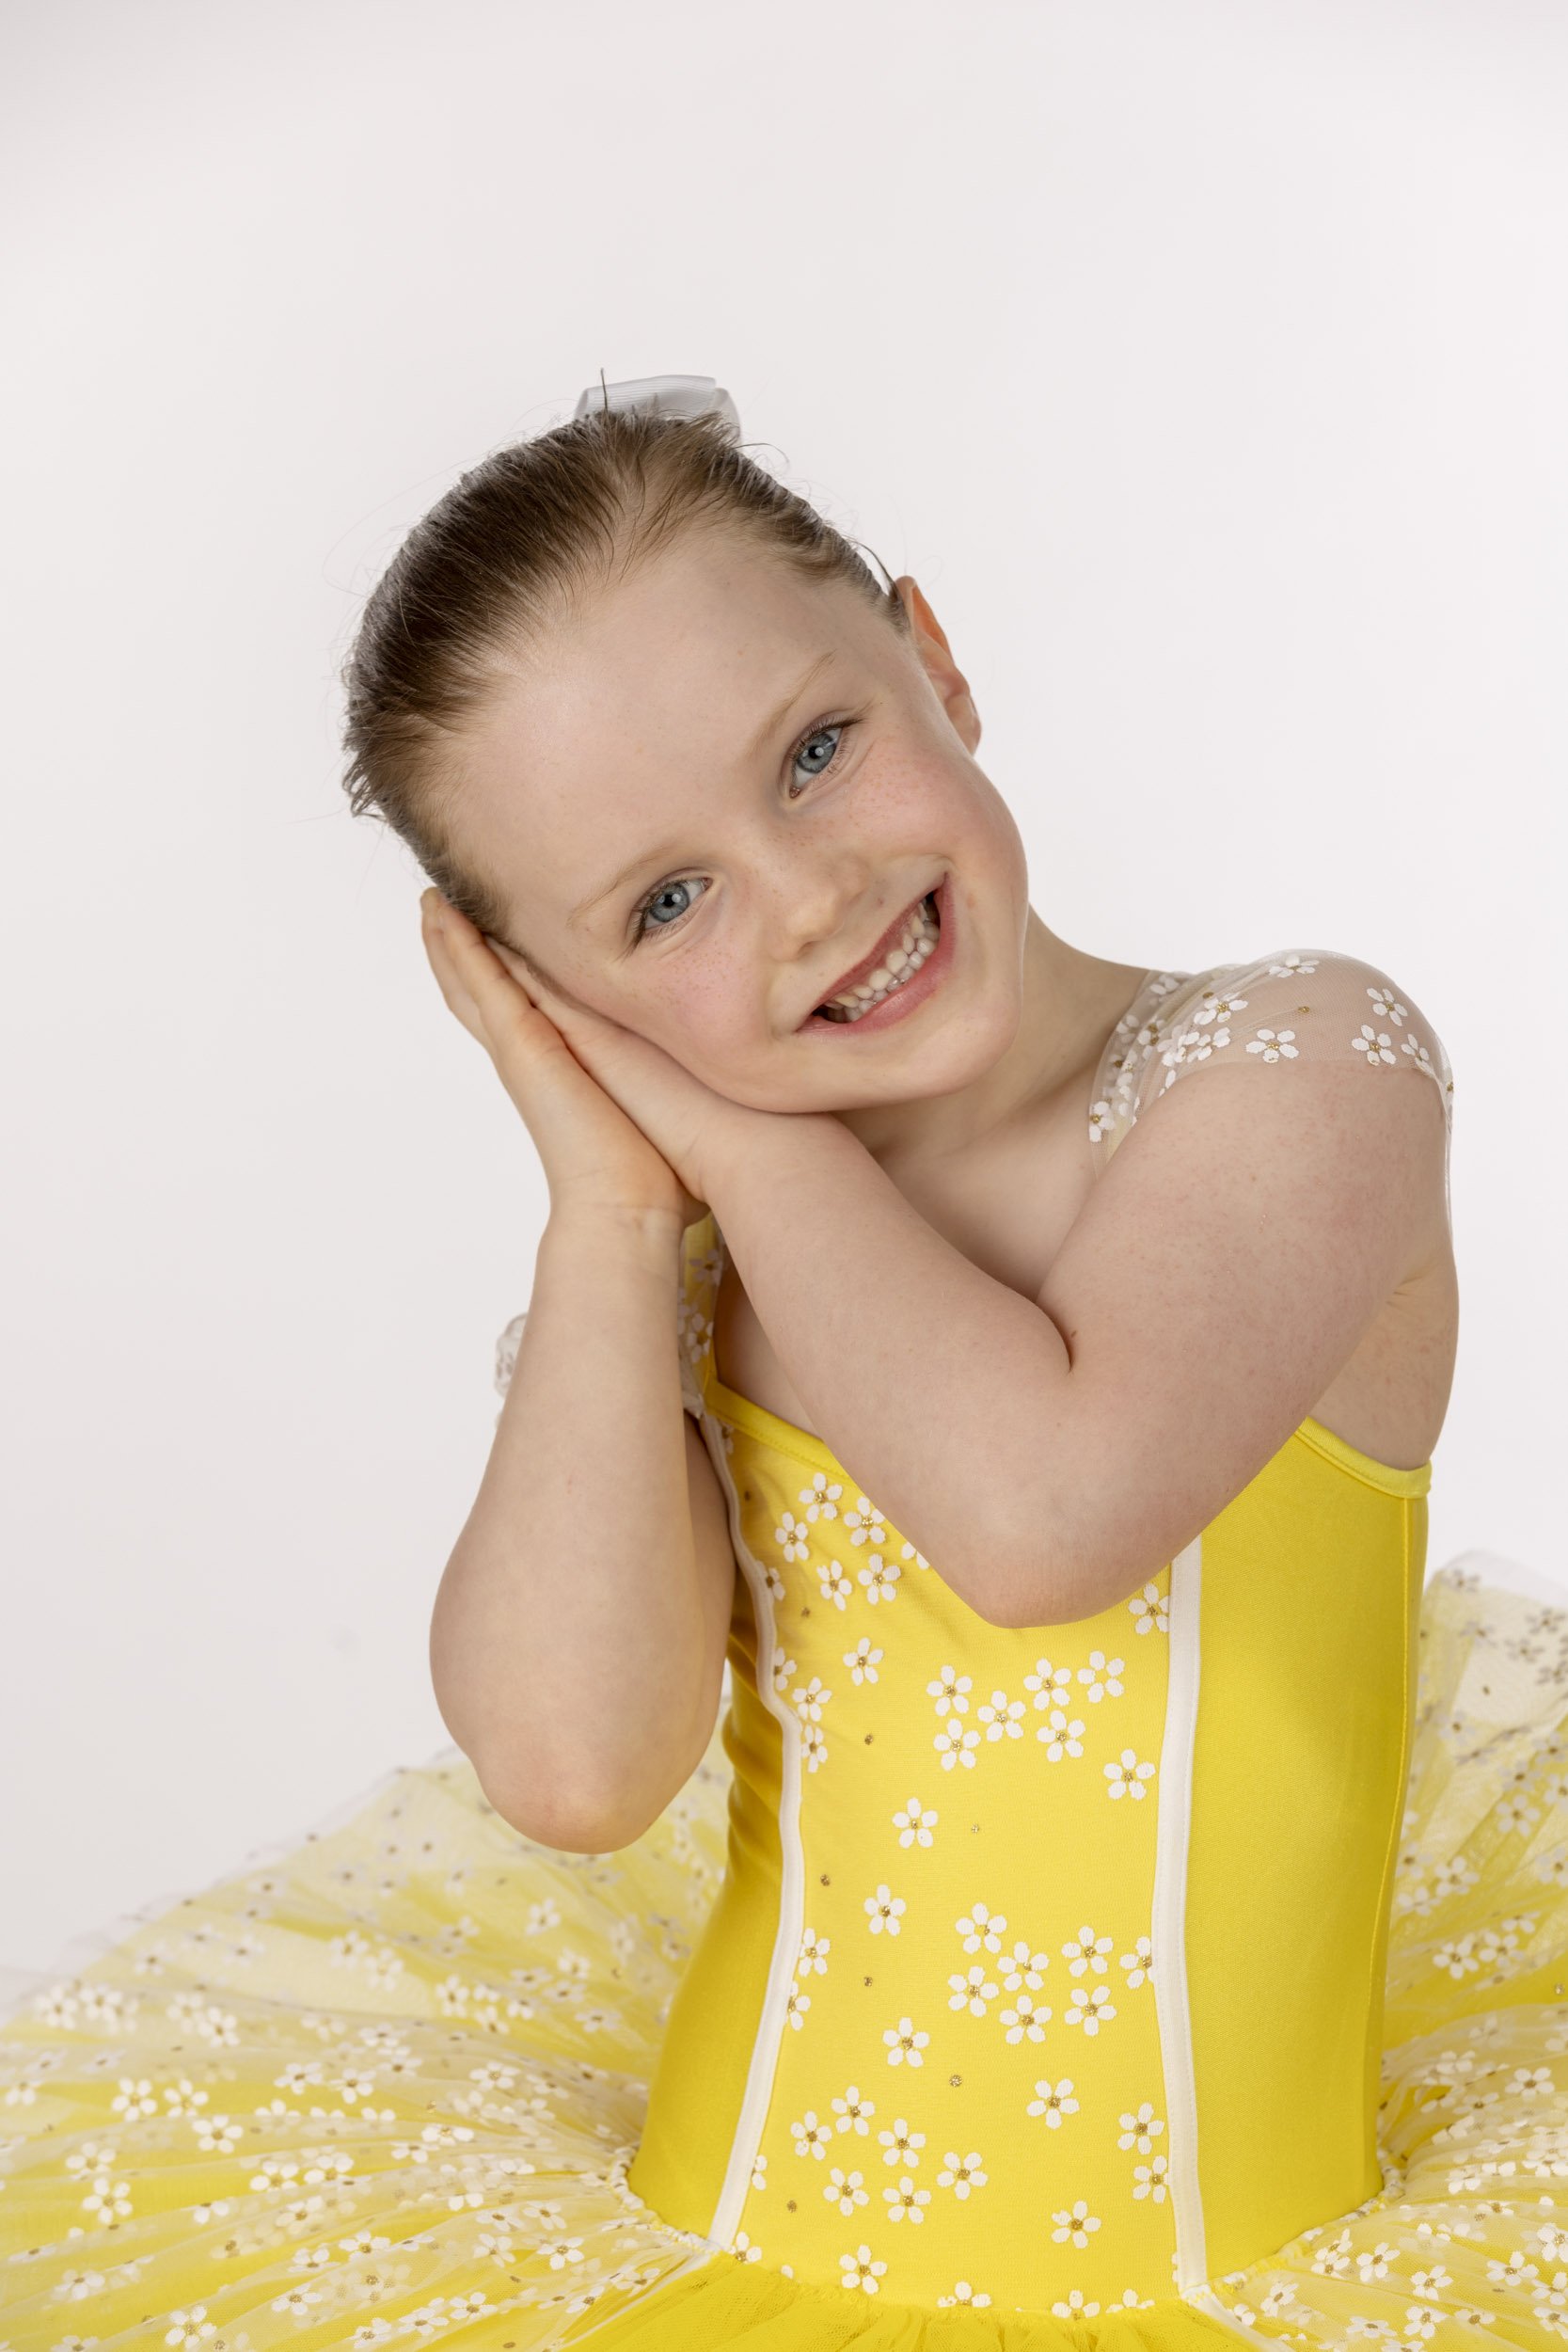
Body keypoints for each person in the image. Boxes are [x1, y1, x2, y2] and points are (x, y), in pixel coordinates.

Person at [2, 376, 1564, 2352]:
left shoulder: (1294, 1071)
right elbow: (570, 1765)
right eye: (667, 902)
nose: (810, 893)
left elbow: (1040, 1516)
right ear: (566, 1007)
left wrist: (734, 1131)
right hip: (711, 2249)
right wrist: (611, 1206)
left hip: (1230, 2283)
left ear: (935, 658)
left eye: (815, 749)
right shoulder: (692, 1259)